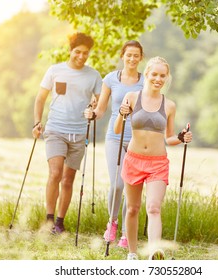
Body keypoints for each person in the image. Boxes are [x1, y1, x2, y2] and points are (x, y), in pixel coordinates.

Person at [115, 56, 192, 260]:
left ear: (167, 78)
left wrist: (182, 137)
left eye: (163, 75)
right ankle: (132, 253)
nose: (158, 79)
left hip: (158, 163)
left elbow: (168, 137)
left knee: (154, 207)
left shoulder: (170, 105)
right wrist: (121, 114)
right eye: (155, 74)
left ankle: (154, 252)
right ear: (147, 74)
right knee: (132, 209)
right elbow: (117, 129)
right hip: (133, 159)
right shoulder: (132, 97)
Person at [32, 32, 102, 234]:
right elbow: (40, 99)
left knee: (68, 179)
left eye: (85, 53)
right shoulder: (55, 71)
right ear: (70, 50)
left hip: (79, 133)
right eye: (77, 52)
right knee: (55, 174)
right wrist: (37, 122)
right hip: (56, 130)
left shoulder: (93, 75)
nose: (81, 57)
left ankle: (60, 223)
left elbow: (100, 102)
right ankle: (49, 219)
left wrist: (95, 107)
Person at [84, 40, 144, 248]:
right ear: (122, 56)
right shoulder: (111, 79)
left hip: (137, 139)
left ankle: (127, 233)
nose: (132, 59)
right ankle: (112, 222)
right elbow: (101, 110)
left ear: (141, 58)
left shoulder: (145, 82)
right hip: (115, 136)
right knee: (117, 184)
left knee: (131, 187)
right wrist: (92, 114)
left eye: (136, 55)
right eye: (129, 55)